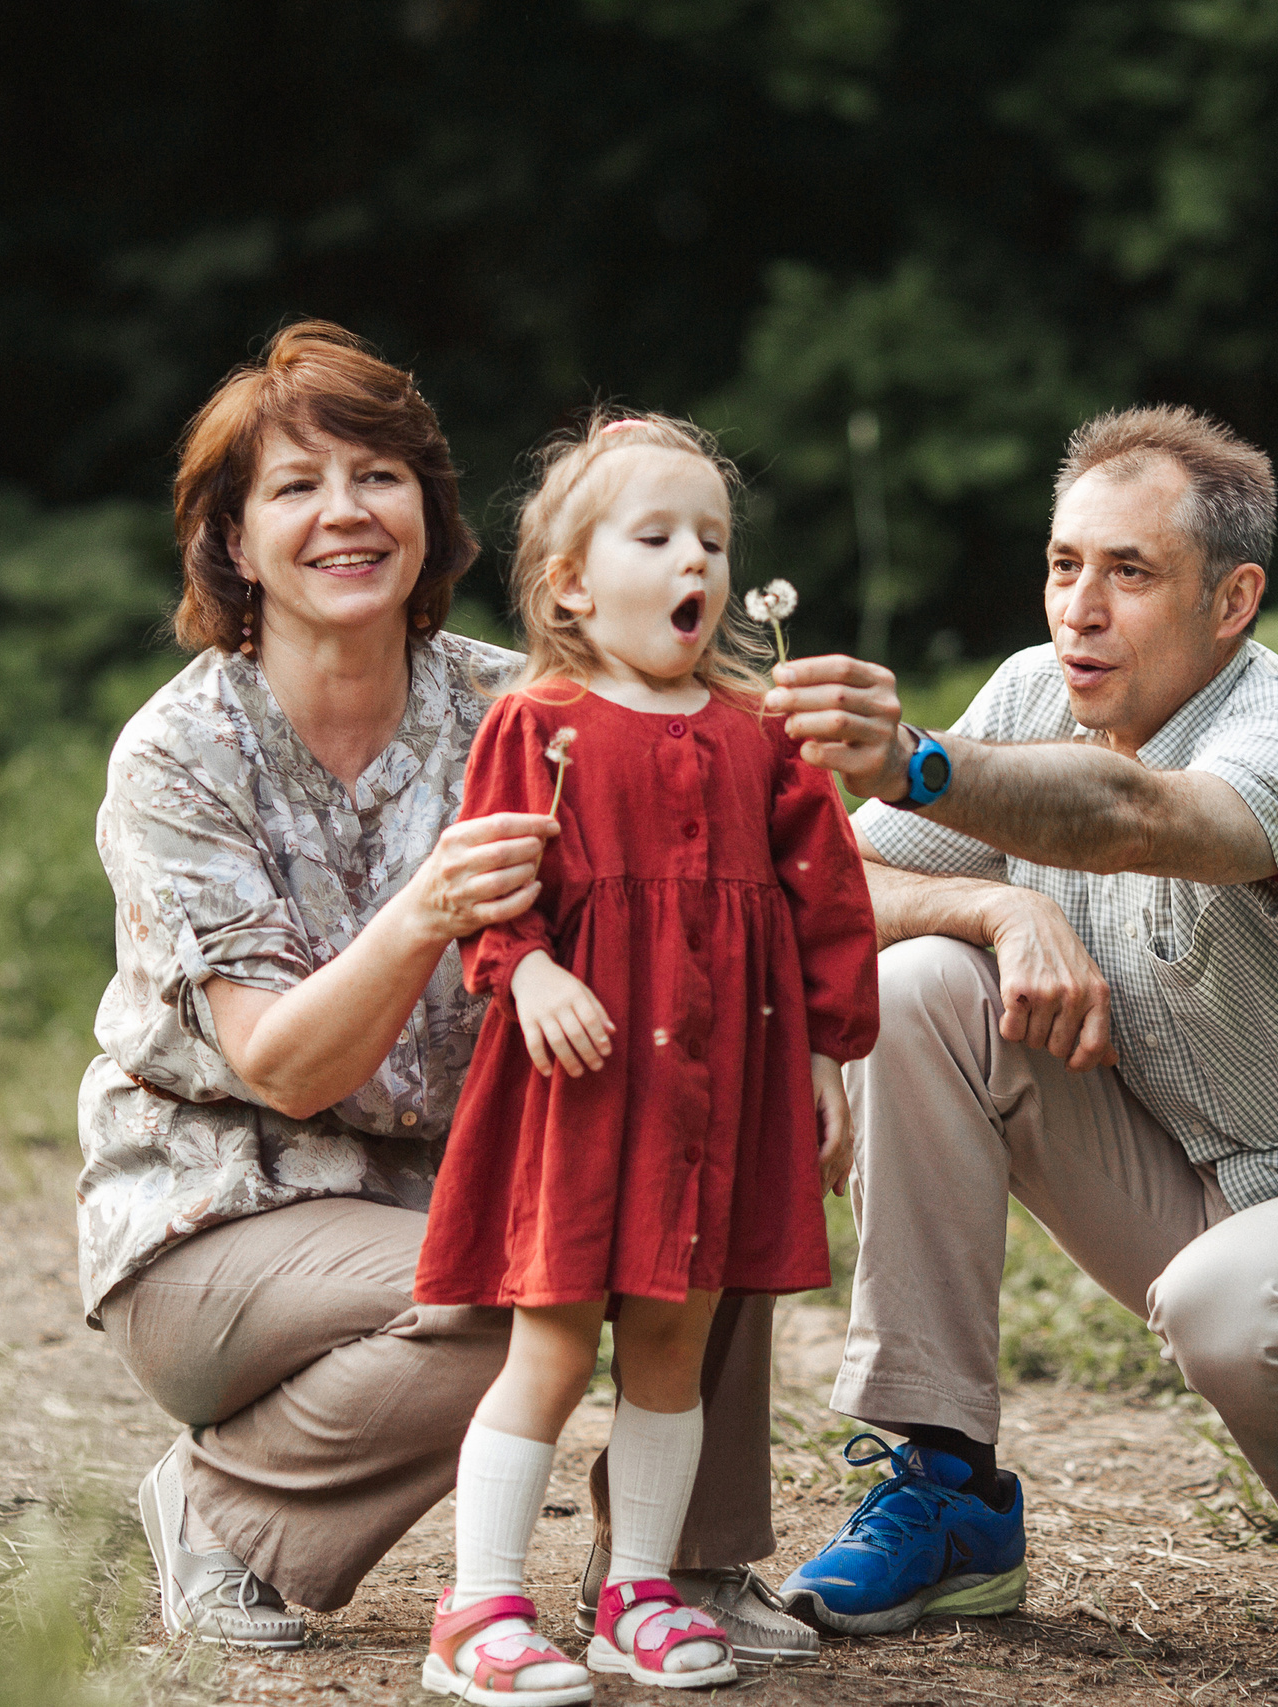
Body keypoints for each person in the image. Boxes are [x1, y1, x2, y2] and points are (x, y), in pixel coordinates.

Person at [77, 324, 825, 1663]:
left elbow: (739, 875)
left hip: (471, 1164)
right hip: (224, 1212)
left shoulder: (526, 698)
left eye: (381, 474)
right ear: (235, 544)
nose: (347, 511)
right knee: (511, 1294)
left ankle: (673, 1574)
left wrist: (987, 902)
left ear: (432, 512)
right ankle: (226, 1513)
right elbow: (287, 1066)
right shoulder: (180, 755)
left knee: (703, 1166)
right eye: (298, 485)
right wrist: (428, 907)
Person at [759, 404, 1278, 1641]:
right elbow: (834, 890)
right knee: (921, 983)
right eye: (1063, 564)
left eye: (1129, 573)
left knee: (1234, 1303)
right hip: (1189, 1188)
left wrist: (920, 762)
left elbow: (1144, 818)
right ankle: (944, 1486)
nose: (1080, 608)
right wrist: (990, 904)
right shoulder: (1036, 692)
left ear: (1232, 600)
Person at [407, 414, 878, 1705]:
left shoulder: (757, 728)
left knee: (674, 1349)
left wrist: (832, 1057)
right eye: (657, 534)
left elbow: (824, 894)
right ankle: (481, 1603)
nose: (696, 563)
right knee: (552, 1345)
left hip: (719, 1095)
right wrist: (533, 966)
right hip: (585, 1090)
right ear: (569, 578)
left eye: (714, 540)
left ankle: (639, 1592)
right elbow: (490, 883)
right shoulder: (538, 720)